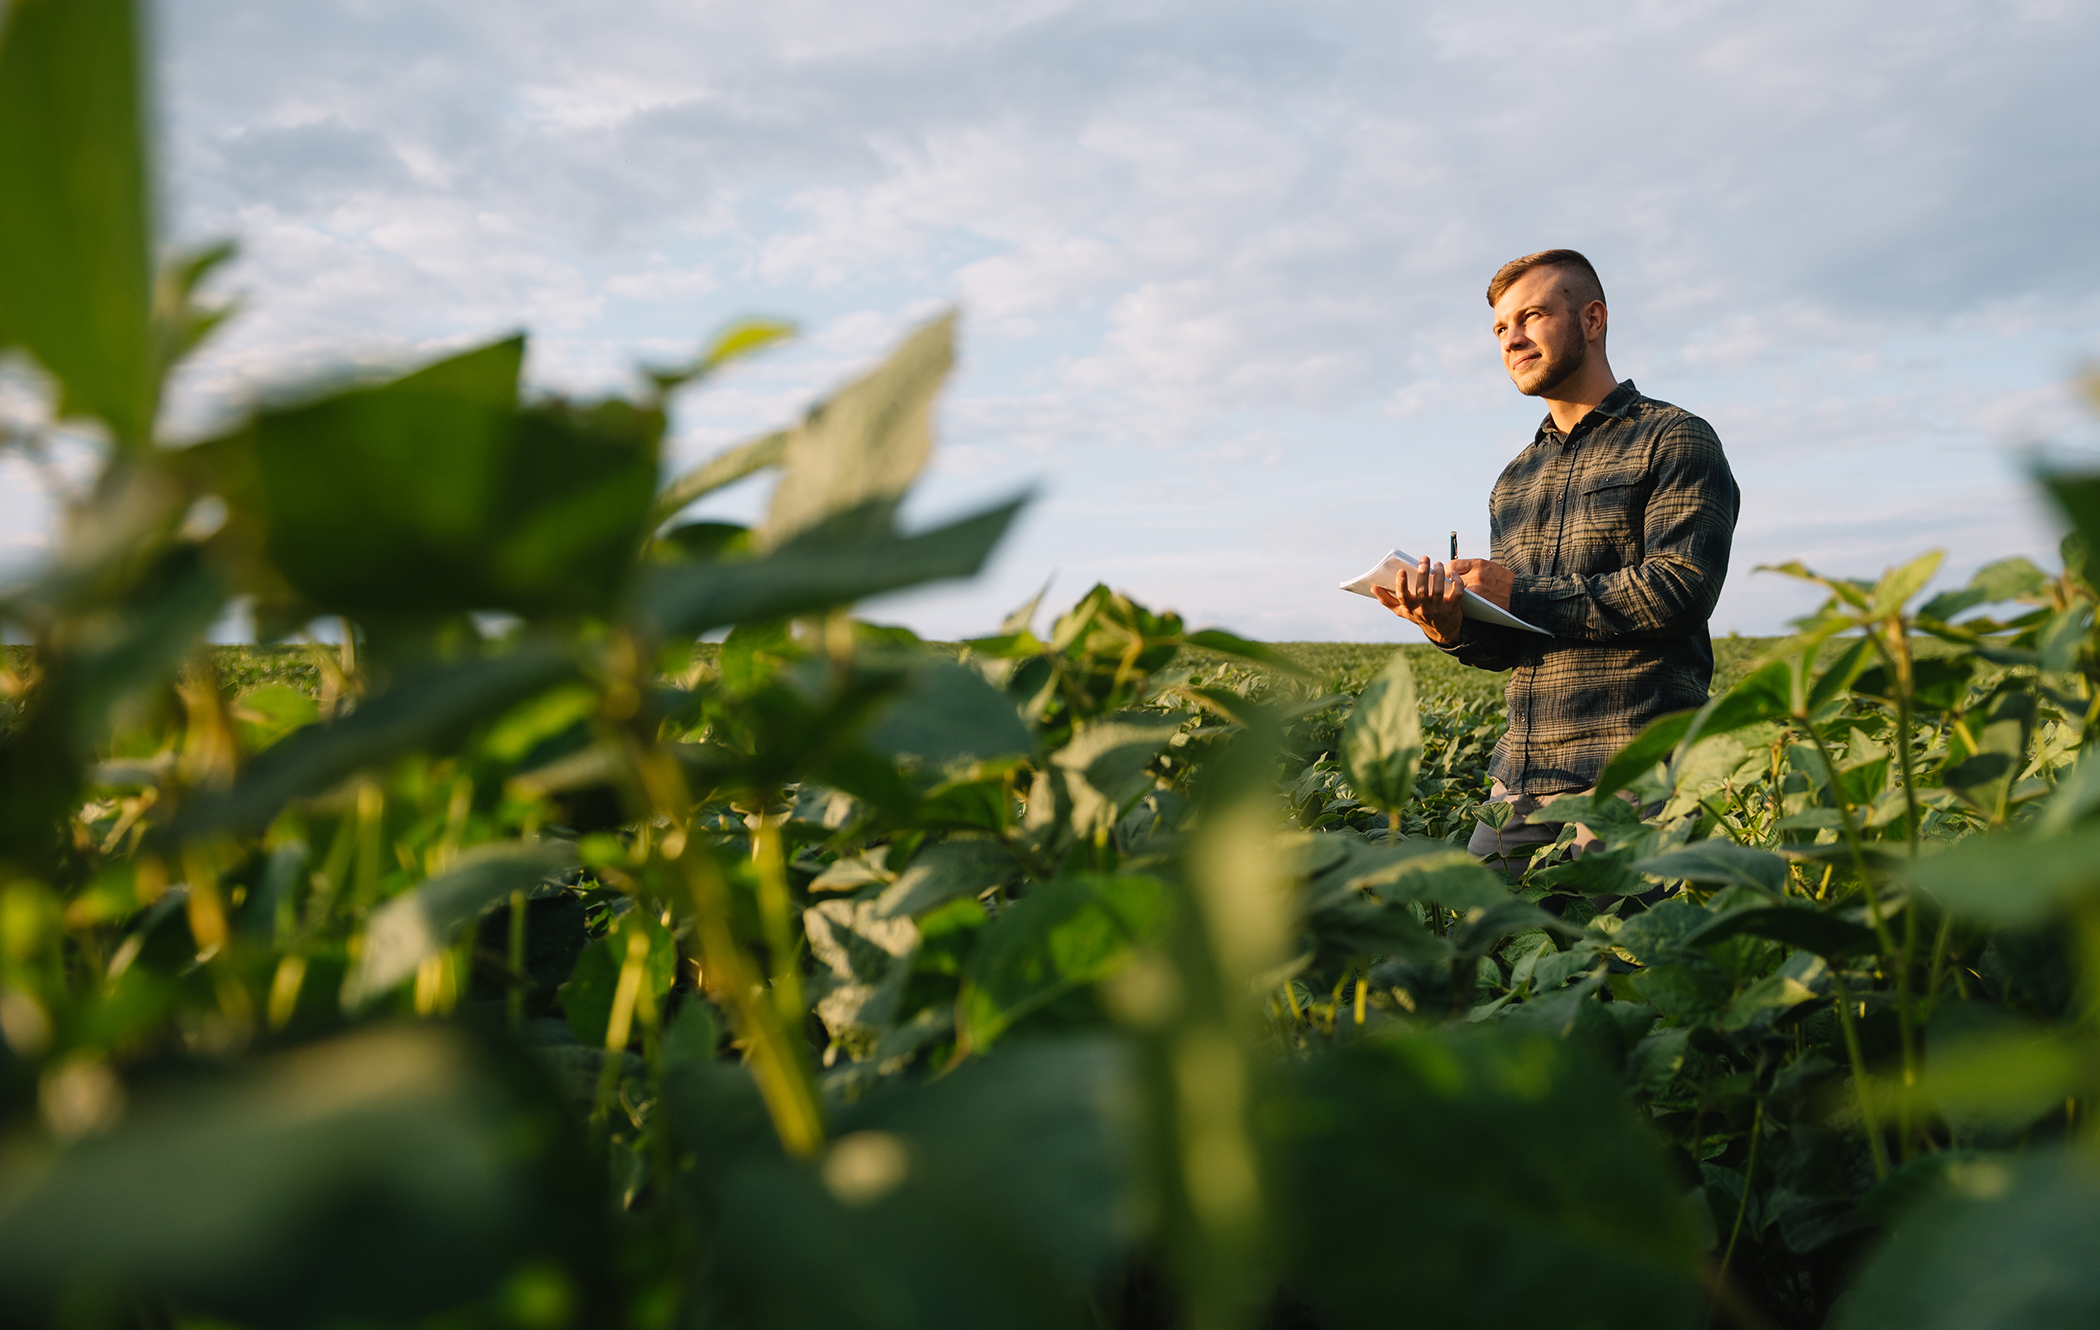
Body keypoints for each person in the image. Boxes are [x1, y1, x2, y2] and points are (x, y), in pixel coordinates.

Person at [1373, 249, 1739, 875]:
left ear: (1592, 320)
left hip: (1636, 777)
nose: (1511, 339)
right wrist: (1451, 626)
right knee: (1482, 959)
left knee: (1619, 964)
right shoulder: (1513, 479)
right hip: (1519, 781)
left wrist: (1519, 593)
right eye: (1499, 328)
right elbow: (1519, 643)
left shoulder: (1674, 437)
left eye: (1532, 316)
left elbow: (1680, 590)